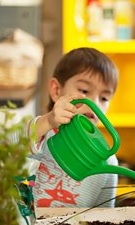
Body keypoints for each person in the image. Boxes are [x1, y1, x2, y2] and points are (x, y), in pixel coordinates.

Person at [27, 47, 119, 208]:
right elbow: (7, 146)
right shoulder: (39, 133)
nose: (95, 104)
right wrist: (48, 121)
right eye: (84, 90)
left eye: (104, 98)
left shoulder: (108, 164)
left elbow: (103, 218)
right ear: (56, 90)